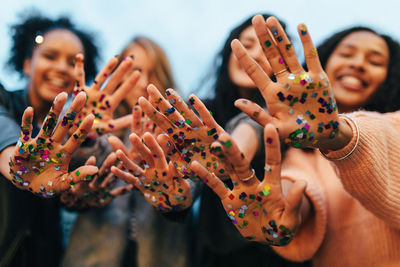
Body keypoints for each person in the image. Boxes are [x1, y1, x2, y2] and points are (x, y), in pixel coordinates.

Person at [207, 15, 400, 266]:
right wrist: (279, 209)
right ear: (325, 62)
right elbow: (299, 186)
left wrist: (338, 134)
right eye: (347, 54)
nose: (359, 64)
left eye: (375, 61)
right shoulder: (299, 153)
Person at [0, 11, 137, 267]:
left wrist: (85, 138)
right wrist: (16, 164)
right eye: (50, 56)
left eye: (73, 63)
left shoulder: (76, 135)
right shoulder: (3, 101)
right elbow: (3, 136)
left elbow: (73, 195)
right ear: (28, 63)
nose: (62, 68)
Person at [193, 14, 310, 267]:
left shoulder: (293, 123)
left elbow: (252, 127)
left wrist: (235, 152)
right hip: (212, 254)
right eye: (246, 45)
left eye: (268, 51)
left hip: (277, 255)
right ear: (228, 53)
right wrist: (177, 200)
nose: (255, 55)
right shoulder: (201, 111)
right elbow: (185, 176)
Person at [62, 36, 189, 267]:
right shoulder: (102, 131)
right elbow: (75, 169)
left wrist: (174, 196)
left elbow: (192, 189)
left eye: (155, 73)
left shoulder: (182, 133)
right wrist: (86, 134)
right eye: (137, 71)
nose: (145, 83)